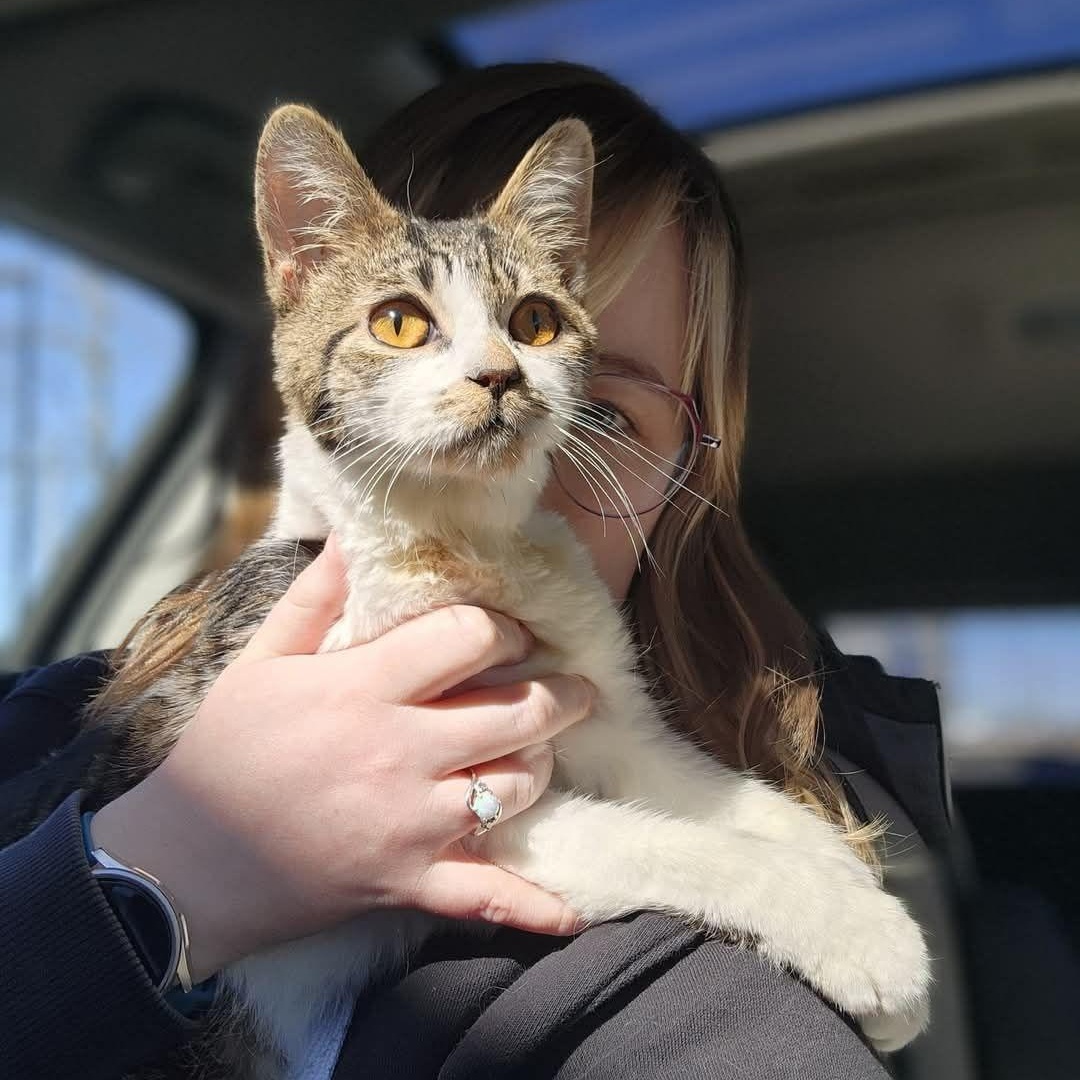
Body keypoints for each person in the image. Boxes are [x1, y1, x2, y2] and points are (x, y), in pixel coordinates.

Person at [0, 62, 950, 1080]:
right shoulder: (52, 718)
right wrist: (150, 871)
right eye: (406, 323)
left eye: (542, 332)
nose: (497, 371)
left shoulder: (680, 1001)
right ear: (299, 288)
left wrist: (814, 882)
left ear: (689, 476)